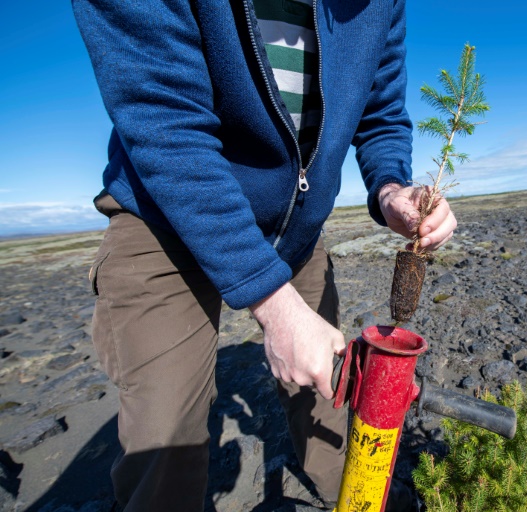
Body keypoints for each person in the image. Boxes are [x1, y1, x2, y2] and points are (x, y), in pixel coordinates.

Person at [73, 0, 457, 510]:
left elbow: (381, 112)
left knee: (326, 389)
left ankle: (351, 496)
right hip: (163, 216)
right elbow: (163, 119)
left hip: (295, 229)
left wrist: (390, 188)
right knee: (164, 443)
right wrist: (273, 302)